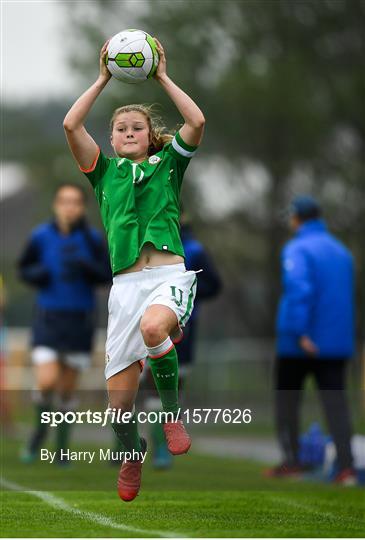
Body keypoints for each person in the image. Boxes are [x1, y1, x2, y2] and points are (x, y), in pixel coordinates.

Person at [63, 38, 205, 501]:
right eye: (121, 127)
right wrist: (103, 76)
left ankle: (171, 414)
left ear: (149, 136)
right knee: (119, 408)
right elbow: (70, 123)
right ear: (111, 138)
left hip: (167, 278)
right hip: (124, 289)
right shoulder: (102, 173)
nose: (128, 132)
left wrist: (162, 74)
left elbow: (196, 121)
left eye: (136, 127)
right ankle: (132, 453)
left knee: (153, 328)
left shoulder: (168, 166)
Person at [18, 183, 111, 464]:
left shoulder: (93, 239)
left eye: (75, 202)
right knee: (46, 383)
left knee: (67, 391)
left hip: (80, 322)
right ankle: (39, 432)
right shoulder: (40, 236)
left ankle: (61, 450)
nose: (69, 207)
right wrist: (38, 274)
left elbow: (107, 274)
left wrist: (88, 268)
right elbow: (24, 268)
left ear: (82, 207)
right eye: (64, 201)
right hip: (48, 320)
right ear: (55, 205)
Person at [267, 195, 356, 485]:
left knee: (287, 401)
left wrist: (300, 332)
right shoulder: (342, 251)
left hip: (299, 344)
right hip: (335, 343)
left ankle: (292, 461)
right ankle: (346, 467)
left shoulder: (297, 248)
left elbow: (299, 290)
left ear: (297, 218)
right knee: (336, 405)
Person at [146, 213, 222, 468]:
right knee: (140, 384)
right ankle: (131, 446)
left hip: (182, 327)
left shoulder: (194, 250)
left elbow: (214, 284)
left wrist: (186, 294)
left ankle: (162, 448)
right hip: (144, 323)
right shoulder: (141, 241)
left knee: (170, 386)